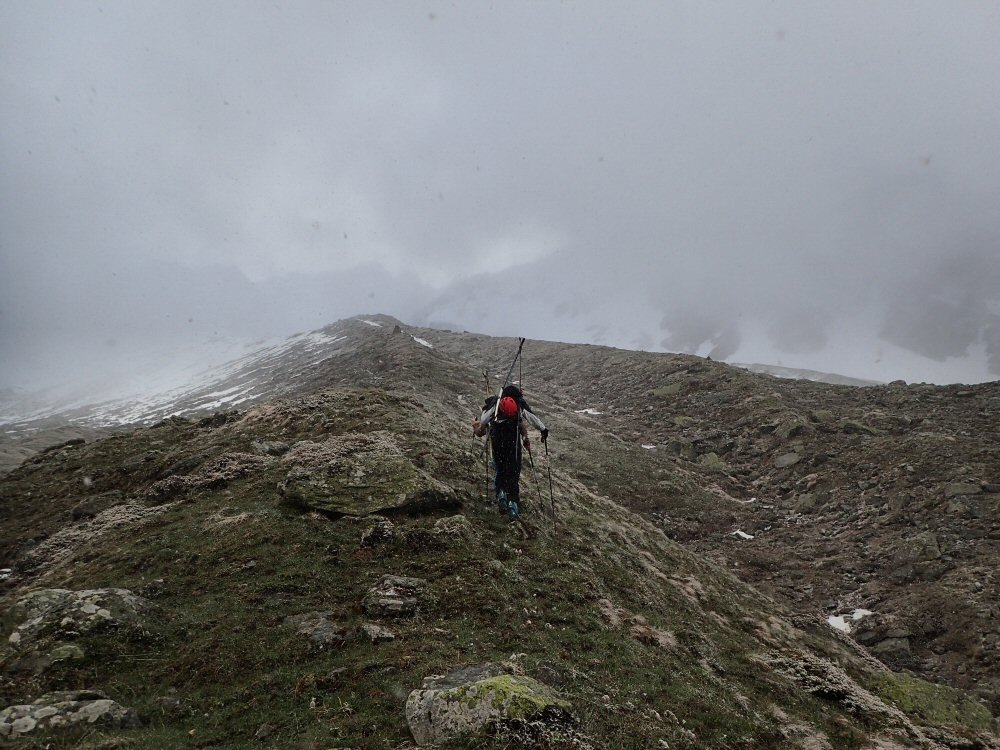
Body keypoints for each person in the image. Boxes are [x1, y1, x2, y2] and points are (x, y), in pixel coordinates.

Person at [472, 384, 548, 520]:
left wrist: (477, 426)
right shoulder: (519, 403)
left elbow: (483, 420)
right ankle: (513, 503)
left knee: (500, 469)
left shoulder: (496, 402)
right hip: (512, 442)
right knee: (513, 472)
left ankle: (500, 494)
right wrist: (543, 430)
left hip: (497, 440)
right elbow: (532, 418)